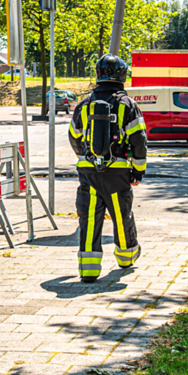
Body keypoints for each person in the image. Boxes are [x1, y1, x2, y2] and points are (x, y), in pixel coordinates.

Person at [68, 54, 147, 282]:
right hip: (118, 172)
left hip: (89, 172)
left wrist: (87, 159)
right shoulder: (128, 105)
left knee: (90, 217)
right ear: (122, 75)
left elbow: (74, 137)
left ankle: (89, 270)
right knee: (122, 215)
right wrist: (138, 170)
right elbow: (139, 140)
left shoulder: (83, 105)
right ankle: (126, 256)